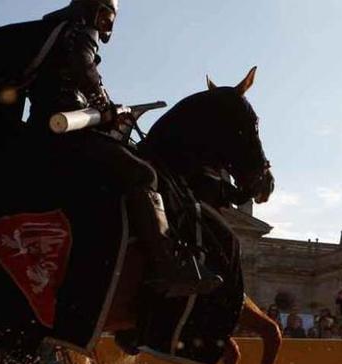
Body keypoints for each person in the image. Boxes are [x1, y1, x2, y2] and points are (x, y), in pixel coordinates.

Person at [26, 0, 221, 299]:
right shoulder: (78, 33)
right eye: (105, 16)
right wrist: (105, 105)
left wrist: (105, 111)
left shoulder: (57, 30)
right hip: (62, 133)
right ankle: (166, 266)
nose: (107, 24)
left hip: (59, 127)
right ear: (93, 10)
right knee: (142, 173)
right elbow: (84, 70)